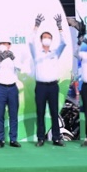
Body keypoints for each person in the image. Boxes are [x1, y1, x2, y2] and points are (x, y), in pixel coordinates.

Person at [29, 13, 67, 147]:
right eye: (44, 37)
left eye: (49, 38)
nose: (47, 39)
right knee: (40, 112)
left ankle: (56, 138)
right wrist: (36, 26)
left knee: (53, 112)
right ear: (41, 40)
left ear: (51, 40)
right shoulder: (36, 53)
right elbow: (30, 41)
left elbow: (64, 43)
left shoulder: (55, 53)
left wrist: (60, 27)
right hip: (40, 86)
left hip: (53, 86)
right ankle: (41, 138)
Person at [0, 35, 22, 148]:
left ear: (10, 45)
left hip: (12, 87)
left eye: (6, 43)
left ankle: (13, 139)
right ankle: (1, 139)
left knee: (13, 115)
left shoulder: (14, 55)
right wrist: (0, 59)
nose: (4, 45)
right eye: (1, 43)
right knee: (0, 115)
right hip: (0, 88)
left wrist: (13, 58)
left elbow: (20, 68)